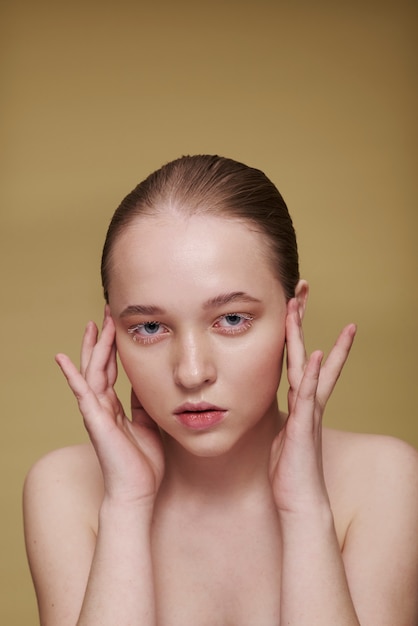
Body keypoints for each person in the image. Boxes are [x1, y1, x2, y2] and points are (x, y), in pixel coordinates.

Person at [23, 155, 418, 626]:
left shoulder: (386, 480)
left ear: (296, 311)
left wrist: (306, 512)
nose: (192, 373)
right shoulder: (65, 489)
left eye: (232, 319)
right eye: (149, 326)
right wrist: (126, 507)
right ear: (112, 332)